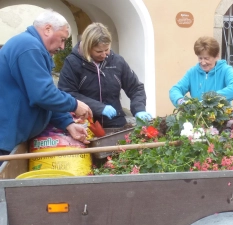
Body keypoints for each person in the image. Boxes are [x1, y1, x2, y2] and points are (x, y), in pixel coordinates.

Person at [0, 9, 92, 158]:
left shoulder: (32, 46)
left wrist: (68, 123)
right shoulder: (29, 46)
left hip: (10, 139)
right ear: (48, 29)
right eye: (62, 39)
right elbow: (42, 94)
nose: (63, 47)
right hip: (4, 139)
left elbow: (42, 98)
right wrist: (75, 104)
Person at [58, 22, 151, 128]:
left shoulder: (117, 61)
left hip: (115, 124)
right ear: (87, 47)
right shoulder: (72, 63)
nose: (104, 55)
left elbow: (136, 88)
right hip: (85, 125)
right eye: (98, 51)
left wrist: (139, 109)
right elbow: (67, 93)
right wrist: (99, 108)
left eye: (106, 50)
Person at [169, 36, 233, 106]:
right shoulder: (192, 72)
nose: (203, 62)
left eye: (206, 58)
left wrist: (209, 99)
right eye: (200, 58)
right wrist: (181, 101)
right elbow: (175, 90)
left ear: (216, 56)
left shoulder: (225, 70)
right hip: (198, 117)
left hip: (222, 116)